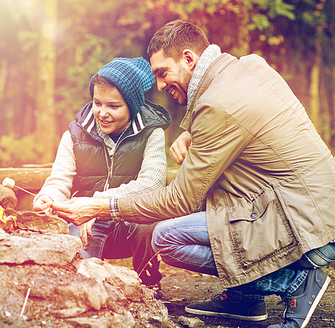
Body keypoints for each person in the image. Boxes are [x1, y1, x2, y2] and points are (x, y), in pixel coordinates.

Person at [52, 20, 335, 328]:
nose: (158, 85)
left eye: (162, 73)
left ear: (189, 59)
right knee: (213, 195)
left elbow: (180, 200)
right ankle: (245, 299)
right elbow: (241, 118)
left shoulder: (217, 106)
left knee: (168, 236)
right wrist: (192, 132)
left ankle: (293, 282)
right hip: (320, 205)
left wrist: (98, 206)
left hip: (307, 227)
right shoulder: (251, 67)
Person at [33, 57, 172, 287]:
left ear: (132, 105)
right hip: (87, 228)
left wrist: (96, 204)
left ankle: (148, 286)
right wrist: (48, 197)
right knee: (84, 281)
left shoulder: (151, 132)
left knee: (149, 220)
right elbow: (59, 179)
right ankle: (85, 287)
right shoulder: (75, 133)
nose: (102, 113)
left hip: (130, 226)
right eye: (98, 103)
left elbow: (153, 184)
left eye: (113, 106)